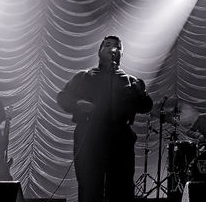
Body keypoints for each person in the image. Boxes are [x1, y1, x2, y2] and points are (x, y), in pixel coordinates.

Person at [57, 35, 153, 202]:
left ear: (121, 54)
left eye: (117, 46)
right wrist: (78, 103)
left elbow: (146, 106)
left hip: (120, 137)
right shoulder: (84, 76)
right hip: (89, 134)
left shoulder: (131, 81)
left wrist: (141, 92)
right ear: (99, 51)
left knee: (121, 187)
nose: (112, 48)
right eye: (107, 45)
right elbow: (63, 97)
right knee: (90, 186)